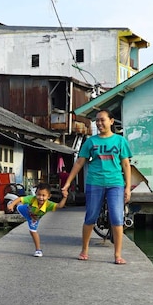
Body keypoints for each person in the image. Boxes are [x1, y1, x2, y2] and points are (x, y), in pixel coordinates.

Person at [61, 110, 132, 264]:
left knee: (117, 218)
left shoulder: (120, 141)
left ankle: (117, 255)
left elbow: (126, 164)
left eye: (102, 120)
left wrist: (127, 188)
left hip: (115, 183)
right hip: (95, 182)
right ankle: (84, 249)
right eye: (97, 121)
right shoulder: (91, 142)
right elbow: (80, 162)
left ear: (111, 121)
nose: (99, 123)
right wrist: (67, 183)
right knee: (91, 216)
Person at [7, 182, 68, 257]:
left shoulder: (49, 204)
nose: (41, 197)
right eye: (39, 195)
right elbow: (20, 198)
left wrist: (65, 197)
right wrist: (12, 205)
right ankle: (11, 203)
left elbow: (59, 205)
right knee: (19, 205)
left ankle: (38, 250)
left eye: (43, 195)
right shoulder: (32, 199)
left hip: (34, 217)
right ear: (35, 194)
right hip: (25, 209)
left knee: (33, 231)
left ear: (49, 196)